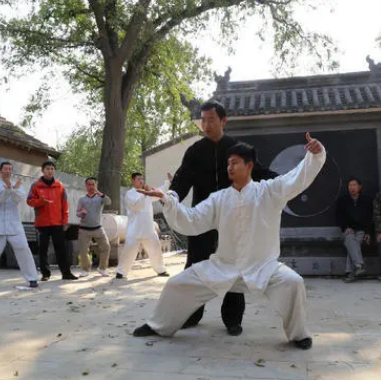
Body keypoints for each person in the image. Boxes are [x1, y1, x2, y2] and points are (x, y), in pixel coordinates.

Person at [133, 134, 325, 350]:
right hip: (223, 266)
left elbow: (297, 178)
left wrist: (315, 156)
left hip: (263, 266)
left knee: (293, 282)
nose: (229, 167)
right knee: (176, 284)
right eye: (228, 163)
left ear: (249, 166)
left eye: (234, 163)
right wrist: (167, 200)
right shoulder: (220, 198)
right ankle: (157, 325)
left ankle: (299, 334)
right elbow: (193, 219)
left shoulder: (270, 191)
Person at [169, 100, 278, 336]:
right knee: (196, 265)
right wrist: (170, 197)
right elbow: (181, 180)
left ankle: (233, 319)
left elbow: (260, 173)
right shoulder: (195, 151)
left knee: (234, 266)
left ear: (223, 121)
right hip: (203, 217)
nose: (206, 125)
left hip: (234, 218)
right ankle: (191, 314)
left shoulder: (237, 149)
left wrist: (288, 181)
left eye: (211, 119)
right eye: (203, 120)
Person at [0, 161, 39, 288]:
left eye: (10, 169)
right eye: (5, 169)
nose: (8, 171)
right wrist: (10, 189)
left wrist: (11, 189)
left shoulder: (18, 185)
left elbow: (18, 198)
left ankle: (32, 278)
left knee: (24, 250)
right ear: (0, 171)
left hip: (14, 226)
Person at [27, 161, 77, 281]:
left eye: (52, 169)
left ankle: (66, 273)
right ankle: (45, 274)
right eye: (47, 169)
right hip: (42, 223)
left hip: (57, 223)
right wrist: (41, 202)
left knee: (61, 249)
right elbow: (29, 201)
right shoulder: (36, 185)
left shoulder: (60, 186)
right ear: (42, 170)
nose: (50, 171)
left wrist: (65, 220)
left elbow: (65, 204)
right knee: (42, 250)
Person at [115, 172, 170, 279]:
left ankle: (161, 270)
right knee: (129, 251)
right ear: (133, 180)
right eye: (138, 179)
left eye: (142, 179)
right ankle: (121, 272)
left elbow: (159, 192)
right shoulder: (130, 194)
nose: (141, 181)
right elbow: (136, 206)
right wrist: (146, 194)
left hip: (148, 229)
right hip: (134, 229)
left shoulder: (148, 193)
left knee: (155, 249)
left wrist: (168, 182)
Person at [336, 178, 373, 282]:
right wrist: (345, 227)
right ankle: (359, 265)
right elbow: (338, 217)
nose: (352, 187)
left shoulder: (366, 200)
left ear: (359, 187)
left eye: (354, 185)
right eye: (350, 185)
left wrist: (368, 232)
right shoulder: (342, 200)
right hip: (348, 229)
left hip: (361, 230)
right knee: (349, 239)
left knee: (353, 244)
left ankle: (350, 273)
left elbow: (370, 217)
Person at [76, 177, 112, 277]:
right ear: (86, 186)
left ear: (96, 185)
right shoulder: (82, 199)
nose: (91, 187)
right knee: (83, 251)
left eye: (93, 184)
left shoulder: (100, 198)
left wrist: (100, 194)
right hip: (84, 229)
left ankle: (102, 268)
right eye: (89, 185)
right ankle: (85, 269)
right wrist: (82, 213)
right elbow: (77, 213)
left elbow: (109, 202)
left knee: (106, 247)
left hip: (98, 228)